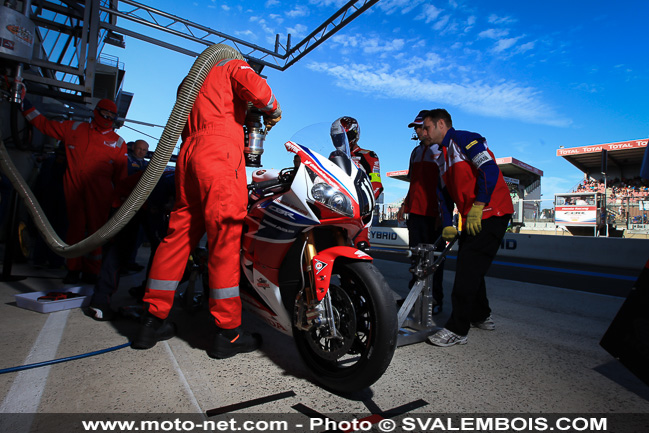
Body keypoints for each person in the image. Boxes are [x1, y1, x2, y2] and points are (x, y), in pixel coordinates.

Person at [131, 57, 282, 359]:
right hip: (220, 151)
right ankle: (228, 333)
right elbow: (262, 93)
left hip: (188, 155)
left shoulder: (191, 80)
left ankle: (151, 321)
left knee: (177, 237)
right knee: (224, 240)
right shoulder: (231, 65)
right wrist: (274, 110)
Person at [421, 109, 513, 347]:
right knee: (471, 265)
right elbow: (443, 195)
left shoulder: (464, 140)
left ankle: (457, 329)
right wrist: (448, 224)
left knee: (467, 270)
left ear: (441, 124)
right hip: (473, 216)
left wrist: (480, 204)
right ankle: (481, 315)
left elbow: (490, 169)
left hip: (493, 212)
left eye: (427, 127)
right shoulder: (440, 156)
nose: (424, 133)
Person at [21, 98, 128, 284]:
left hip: (100, 194)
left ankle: (92, 272)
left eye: (112, 115)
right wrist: (24, 104)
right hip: (74, 189)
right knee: (74, 230)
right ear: (97, 111)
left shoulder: (118, 143)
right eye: (106, 113)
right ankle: (73, 269)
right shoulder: (74, 129)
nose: (108, 117)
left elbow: (122, 177)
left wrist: (118, 202)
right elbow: (44, 125)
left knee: (97, 233)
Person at [397, 110, 445, 314]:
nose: (417, 131)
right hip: (415, 212)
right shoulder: (415, 152)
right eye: (415, 128)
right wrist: (403, 205)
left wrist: (443, 213)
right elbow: (413, 182)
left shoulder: (442, 151)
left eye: (420, 127)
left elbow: (446, 185)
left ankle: (435, 300)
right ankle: (414, 297)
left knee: (434, 260)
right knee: (416, 258)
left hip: (434, 214)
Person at [330, 116, 383, 249]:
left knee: (361, 246)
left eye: (343, 136)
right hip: (336, 207)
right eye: (337, 137)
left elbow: (377, 184)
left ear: (354, 134)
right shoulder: (332, 157)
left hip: (360, 211)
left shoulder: (368, 155)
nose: (340, 140)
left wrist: (362, 204)